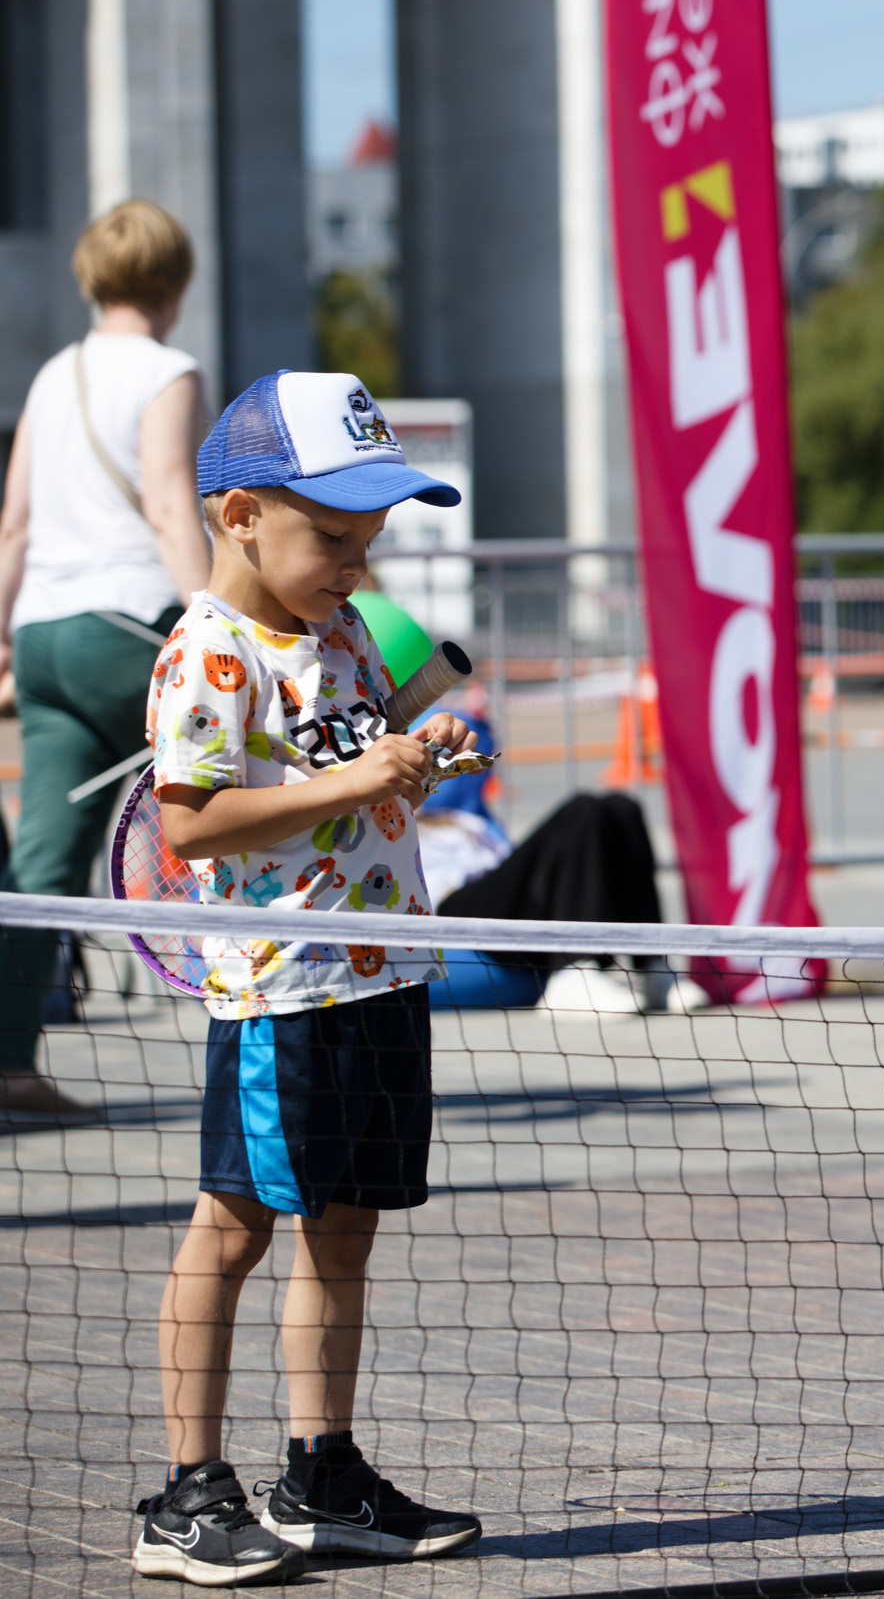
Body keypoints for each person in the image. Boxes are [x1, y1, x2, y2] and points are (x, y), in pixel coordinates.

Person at [132, 370, 483, 1585]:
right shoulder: (209, 653)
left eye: (370, 539)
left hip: (378, 975)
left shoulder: (332, 632)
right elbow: (193, 824)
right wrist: (356, 782)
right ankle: (186, 1494)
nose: (354, 563)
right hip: (283, 992)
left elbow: (337, 772)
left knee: (345, 1233)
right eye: (333, 536)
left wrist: (412, 755)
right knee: (230, 1230)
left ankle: (322, 1474)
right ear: (239, 517)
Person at [0, 200, 214, 1116]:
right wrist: (217, 625)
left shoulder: (55, 374)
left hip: (44, 636)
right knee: (248, 786)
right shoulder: (169, 370)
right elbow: (172, 505)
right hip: (127, 623)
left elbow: (13, 524)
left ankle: (9, 1058)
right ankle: (288, 1024)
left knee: (41, 863)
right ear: (175, 280)